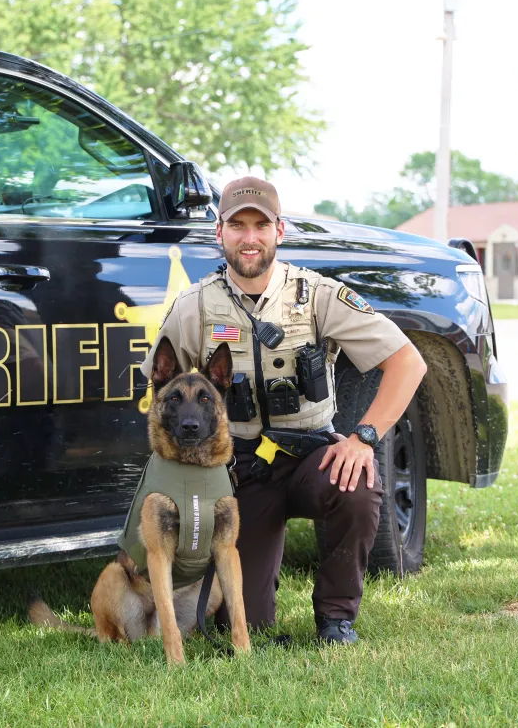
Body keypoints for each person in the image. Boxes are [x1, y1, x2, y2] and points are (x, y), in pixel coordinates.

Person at [139, 176, 427, 644]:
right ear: (220, 233)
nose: (249, 238)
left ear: (280, 230)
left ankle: (336, 619)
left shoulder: (317, 295)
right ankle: (254, 611)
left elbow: (408, 362)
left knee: (356, 482)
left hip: (312, 454)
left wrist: (363, 438)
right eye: (237, 226)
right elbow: (161, 387)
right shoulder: (195, 305)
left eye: (260, 225)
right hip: (241, 472)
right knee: (243, 621)